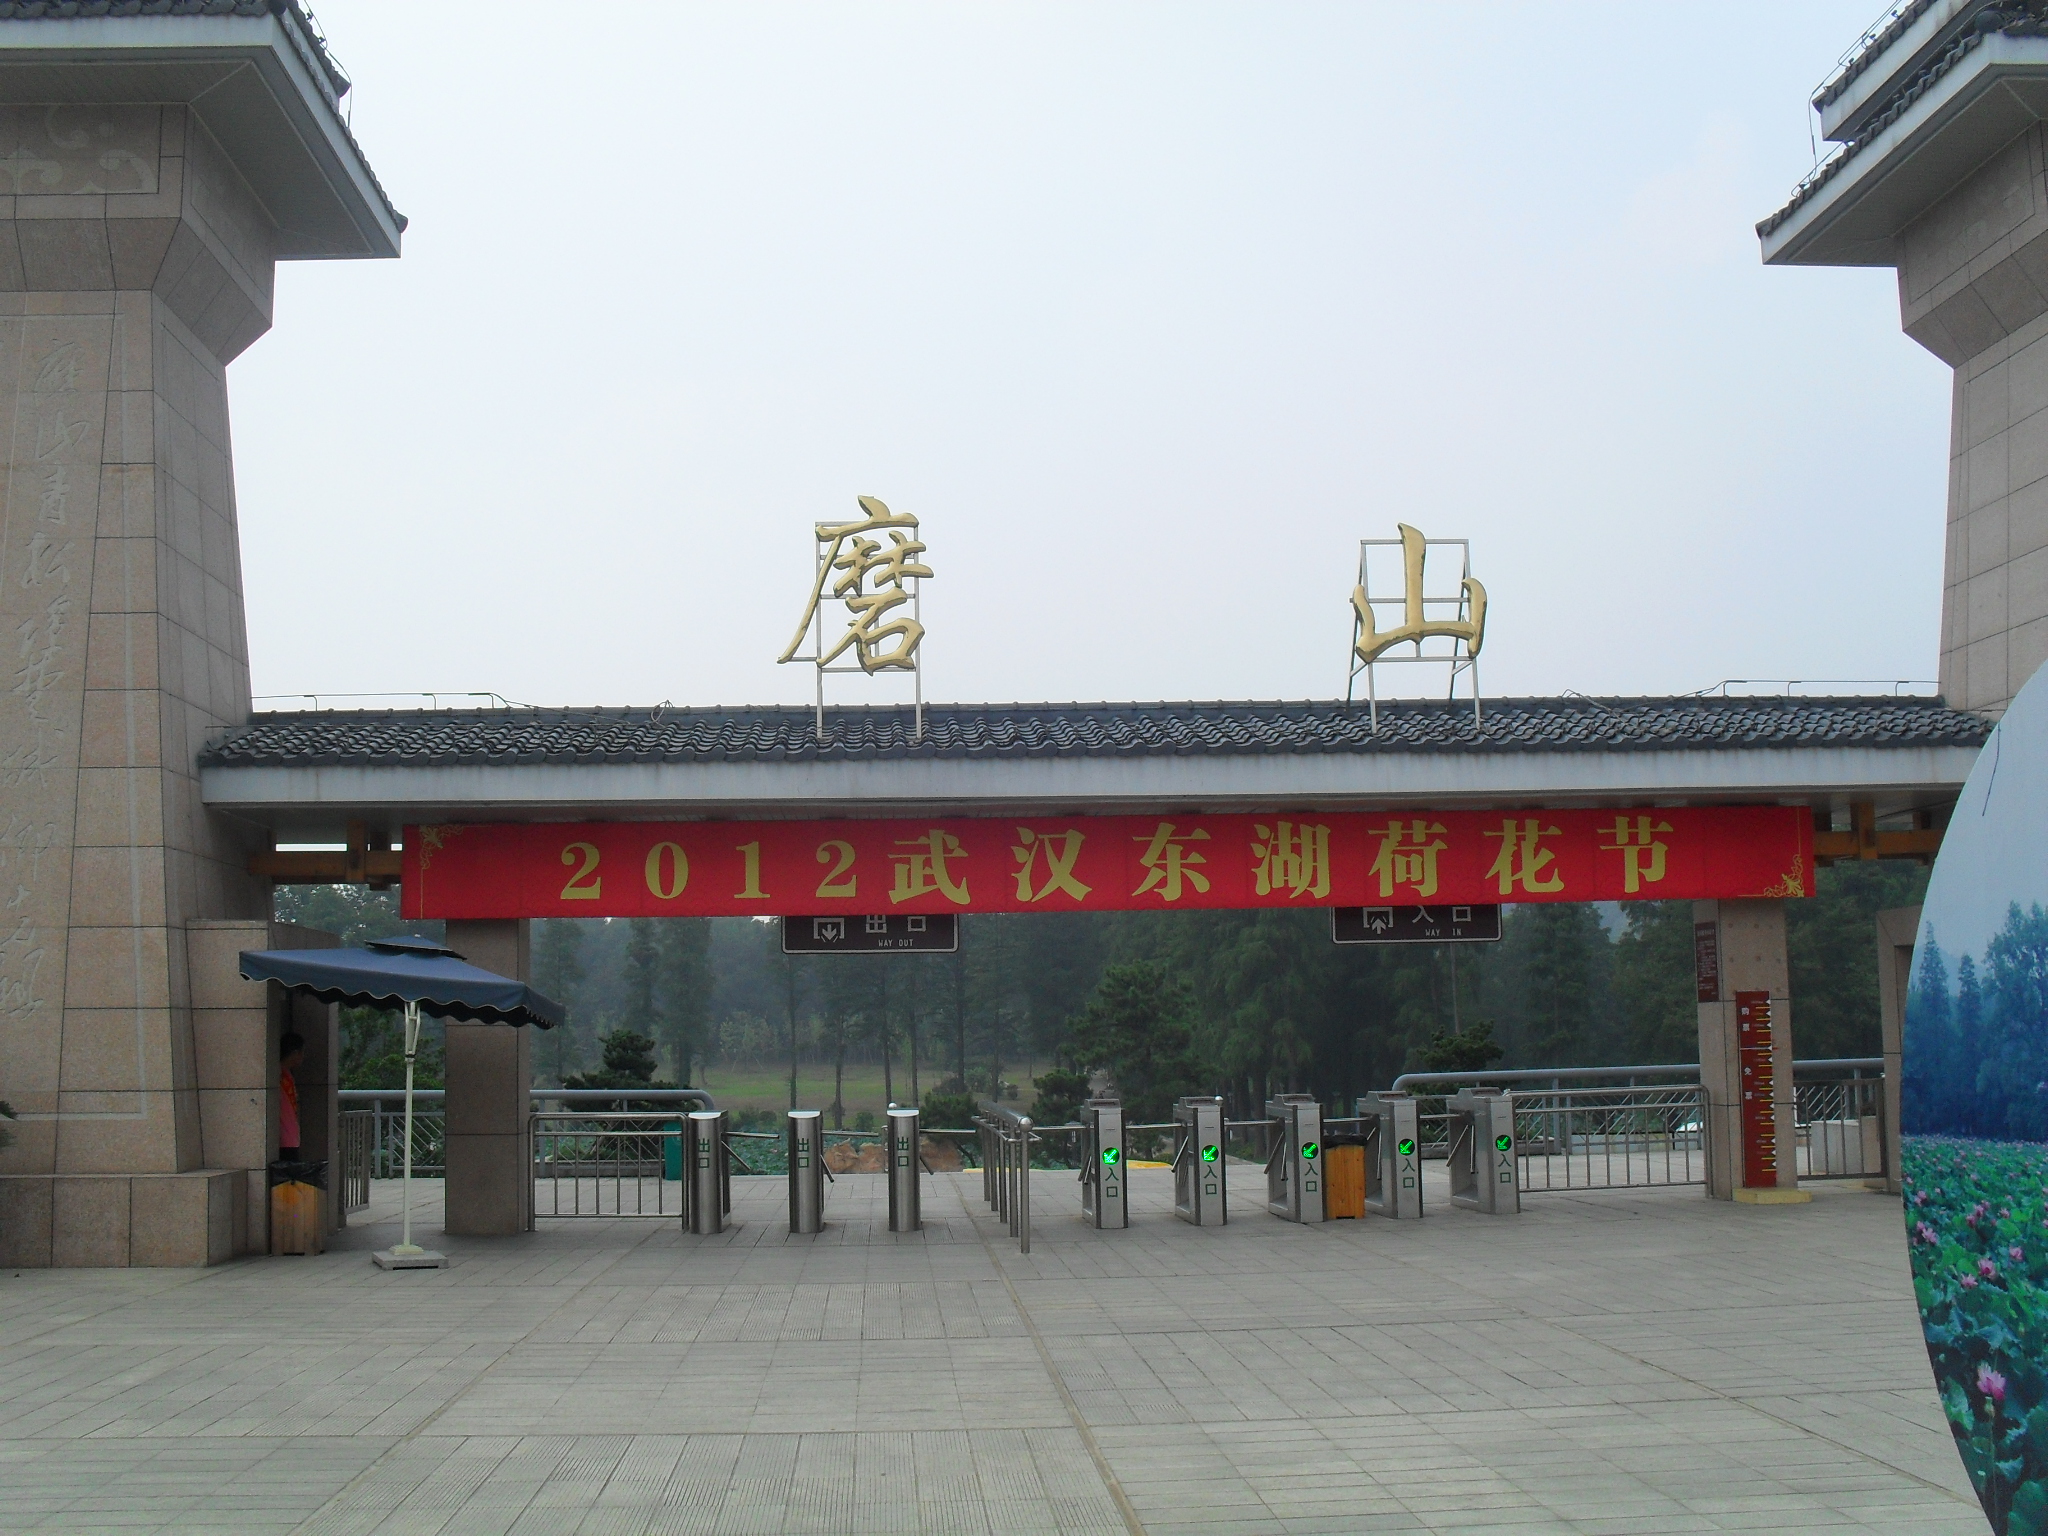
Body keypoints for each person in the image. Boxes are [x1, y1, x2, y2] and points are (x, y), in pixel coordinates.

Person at [278, 1032, 304, 1159]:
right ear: (294, 1053)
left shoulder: (285, 1074)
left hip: (289, 1136)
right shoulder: (279, 1075)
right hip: (287, 1137)